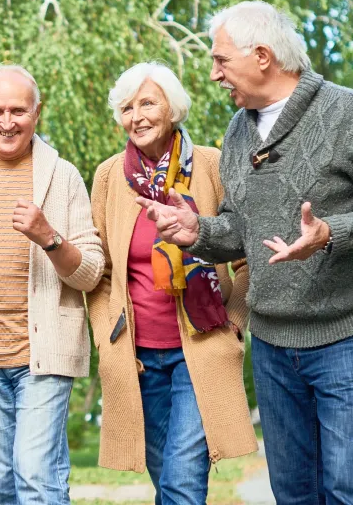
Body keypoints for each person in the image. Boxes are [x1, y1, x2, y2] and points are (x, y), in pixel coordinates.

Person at [137, 1, 353, 505]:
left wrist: (331, 232)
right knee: (292, 492)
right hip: (273, 344)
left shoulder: (350, 112)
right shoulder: (237, 132)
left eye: (221, 60)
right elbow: (239, 229)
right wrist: (196, 231)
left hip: (350, 336)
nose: (213, 75)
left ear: (263, 56)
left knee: (347, 490)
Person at [86, 62, 257, 504]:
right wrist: (107, 338)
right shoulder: (109, 176)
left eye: (147, 103)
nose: (136, 116)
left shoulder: (212, 166)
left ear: (173, 108)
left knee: (182, 482)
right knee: (165, 480)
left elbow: (248, 259)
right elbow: (99, 271)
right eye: (126, 107)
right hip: (136, 356)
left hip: (200, 349)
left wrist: (234, 323)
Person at [0, 64, 105, 505]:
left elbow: (90, 273)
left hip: (42, 356)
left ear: (37, 112)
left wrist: (48, 236)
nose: (6, 122)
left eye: (18, 111)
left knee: (36, 480)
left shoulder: (62, 176)